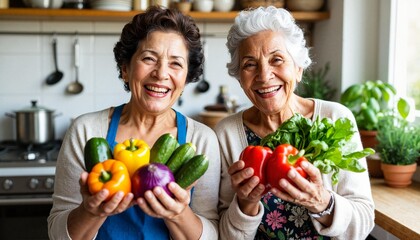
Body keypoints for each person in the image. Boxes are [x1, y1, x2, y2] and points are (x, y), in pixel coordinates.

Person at [48, 6, 220, 240]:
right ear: (125, 68)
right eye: (149, 58)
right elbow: (57, 233)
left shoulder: (201, 140)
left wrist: (178, 214)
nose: (161, 74)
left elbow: (213, 233)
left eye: (176, 64)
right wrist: (90, 212)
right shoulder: (86, 131)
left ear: (186, 78)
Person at [215, 6, 375, 240]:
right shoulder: (227, 133)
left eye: (277, 59)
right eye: (250, 64)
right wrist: (245, 204)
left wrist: (322, 202)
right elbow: (225, 236)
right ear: (240, 78)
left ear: (298, 68)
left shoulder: (335, 118)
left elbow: (363, 223)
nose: (264, 75)